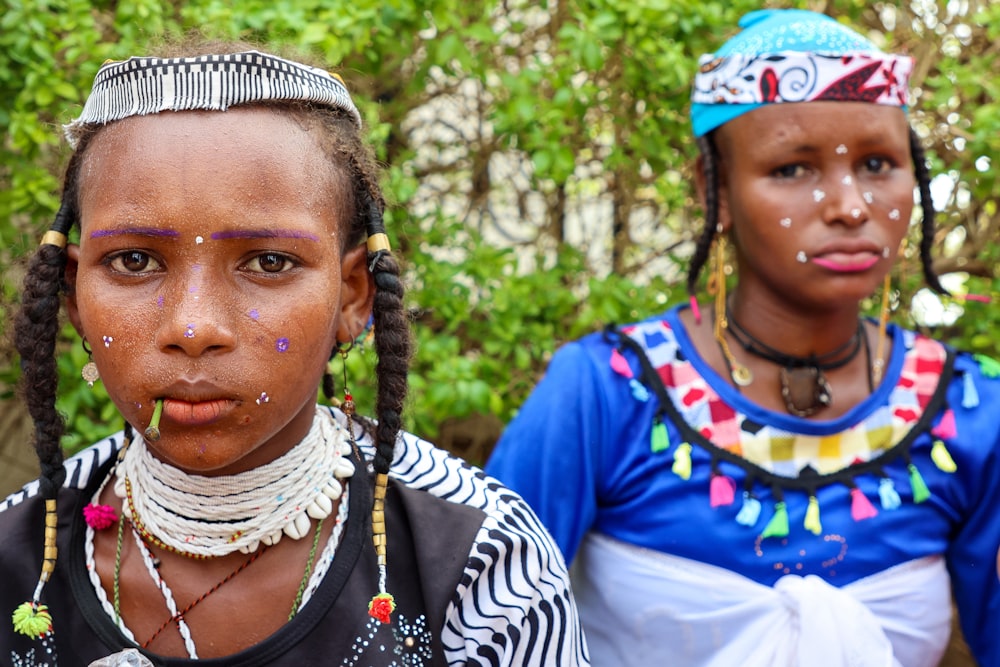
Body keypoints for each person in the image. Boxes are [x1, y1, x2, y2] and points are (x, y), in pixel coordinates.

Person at [1, 44, 588, 667]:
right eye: (135, 261)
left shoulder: (482, 558)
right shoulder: (14, 556)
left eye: (269, 263)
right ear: (73, 296)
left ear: (352, 297)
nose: (194, 327)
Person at [487, 9, 1000, 667]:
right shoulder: (604, 394)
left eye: (878, 163)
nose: (850, 205)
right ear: (716, 190)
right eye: (793, 168)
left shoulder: (971, 410)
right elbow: (478, 634)